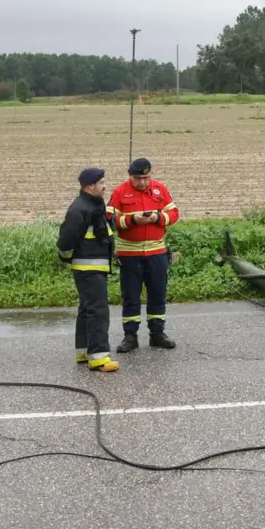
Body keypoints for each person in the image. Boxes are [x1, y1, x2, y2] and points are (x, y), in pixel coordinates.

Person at [107, 157, 180, 352]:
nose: (142, 182)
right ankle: (130, 337)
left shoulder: (160, 189)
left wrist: (157, 218)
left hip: (157, 253)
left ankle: (157, 334)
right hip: (129, 254)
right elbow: (109, 220)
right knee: (130, 296)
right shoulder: (120, 192)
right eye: (138, 178)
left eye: (146, 178)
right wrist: (131, 220)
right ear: (130, 176)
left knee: (158, 294)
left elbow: (174, 214)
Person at [57, 167, 119, 372]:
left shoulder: (94, 204)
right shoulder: (79, 209)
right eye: (101, 182)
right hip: (88, 269)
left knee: (87, 309)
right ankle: (99, 358)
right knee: (97, 311)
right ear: (89, 186)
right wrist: (67, 258)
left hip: (94, 267)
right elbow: (65, 241)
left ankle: (84, 352)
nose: (104, 186)